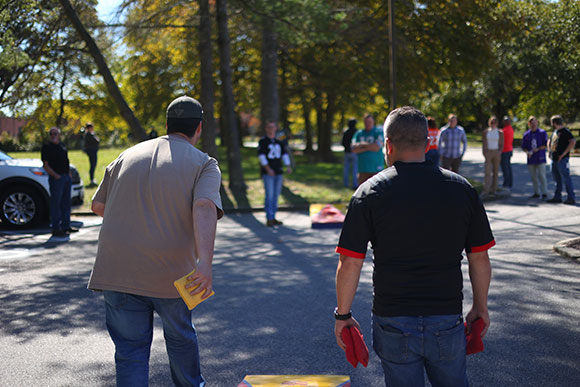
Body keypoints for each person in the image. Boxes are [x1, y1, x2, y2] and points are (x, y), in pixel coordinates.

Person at [334, 106, 493, 387]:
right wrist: (481, 307)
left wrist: (343, 315)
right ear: (428, 142)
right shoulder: (462, 189)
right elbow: (479, 257)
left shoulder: (368, 193)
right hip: (446, 314)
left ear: (388, 145)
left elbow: (350, 262)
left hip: (393, 317)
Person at [88, 96, 223, 386]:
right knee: (180, 338)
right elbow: (203, 207)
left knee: (130, 350)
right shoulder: (204, 163)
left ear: (166, 125)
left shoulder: (127, 155)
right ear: (198, 128)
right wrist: (205, 264)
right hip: (171, 272)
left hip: (117, 270)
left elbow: (98, 206)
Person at [41, 127, 76, 237]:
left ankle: (66, 226)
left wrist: (69, 173)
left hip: (66, 178)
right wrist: (56, 176)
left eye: (55, 133)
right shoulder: (46, 147)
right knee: (56, 204)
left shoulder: (62, 145)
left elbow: (66, 160)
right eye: (51, 133)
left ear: (59, 134)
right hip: (57, 179)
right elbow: (45, 165)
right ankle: (56, 228)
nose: (53, 135)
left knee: (66, 203)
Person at [258, 121, 292, 226]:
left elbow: (284, 154)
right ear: (266, 128)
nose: (271, 129)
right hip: (268, 173)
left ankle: (273, 217)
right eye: (269, 127)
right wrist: (268, 169)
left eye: (273, 127)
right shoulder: (263, 141)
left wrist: (288, 166)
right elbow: (261, 156)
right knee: (270, 195)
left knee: (276, 196)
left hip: (278, 172)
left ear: (276, 128)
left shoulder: (279, 141)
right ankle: (269, 218)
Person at [547, 115, 576, 204]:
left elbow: (572, 142)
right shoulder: (555, 132)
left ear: (555, 123)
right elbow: (549, 141)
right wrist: (549, 151)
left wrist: (564, 154)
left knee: (566, 178)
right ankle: (557, 196)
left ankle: (571, 197)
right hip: (554, 158)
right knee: (557, 179)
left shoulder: (565, 132)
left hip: (562, 159)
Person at [351, 113, 384, 185]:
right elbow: (354, 149)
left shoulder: (378, 132)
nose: (368, 124)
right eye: (366, 122)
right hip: (363, 169)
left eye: (369, 122)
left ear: (373, 122)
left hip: (376, 168)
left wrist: (362, 144)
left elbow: (377, 147)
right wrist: (370, 147)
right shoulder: (359, 133)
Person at [522, 116, 548, 199]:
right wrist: (527, 152)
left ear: (537, 122)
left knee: (541, 175)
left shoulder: (542, 132)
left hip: (540, 157)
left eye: (534, 122)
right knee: (533, 176)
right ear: (529, 124)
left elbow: (546, 144)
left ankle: (544, 192)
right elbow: (524, 146)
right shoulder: (526, 134)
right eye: (531, 123)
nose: (533, 125)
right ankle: (536, 192)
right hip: (531, 158)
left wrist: (538, 149)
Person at [481, 116, 504, 197]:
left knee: (496, 172)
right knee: (487, 172)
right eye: (491, 122)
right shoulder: (486, 132)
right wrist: (484, 152)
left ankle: (494, 189)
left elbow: (501, 144)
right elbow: (483, 143)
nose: (493, 124)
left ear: (497, 123)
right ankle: (486, 190)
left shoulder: (500, 132)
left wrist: (499, 152)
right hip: (488, 152)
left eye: (494, 122)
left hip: (496, 152)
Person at [342, 118, 358, 189]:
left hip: (347, 152)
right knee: (355, 169)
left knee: (346, 169)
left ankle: (346, 184)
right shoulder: (357, 132)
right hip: (355, 152)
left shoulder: (346, 132)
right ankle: (355, 184)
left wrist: (347, 148)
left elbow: (343, 142)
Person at [83, 122, 100, 187]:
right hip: (92, 152)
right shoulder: (89, 135)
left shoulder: (89, 134)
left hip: (93, 152)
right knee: (92, 165)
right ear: (89, 128)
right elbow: (96, 141)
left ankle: (92, 179)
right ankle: (92, 180)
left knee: (93, 165)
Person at [500, 116, 514, 191]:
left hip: (504, 151)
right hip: (509, 150)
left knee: (505, 168)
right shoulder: (511, 129)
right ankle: (509, 183)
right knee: (508, 167)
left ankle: (506, 184)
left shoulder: (504, 131)